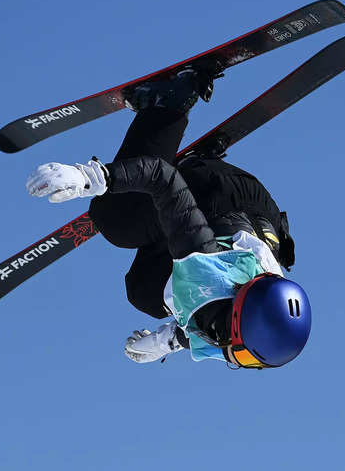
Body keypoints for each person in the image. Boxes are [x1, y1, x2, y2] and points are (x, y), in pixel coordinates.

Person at [26, 69, 311, 369]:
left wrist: (167, 341)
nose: (233, 357)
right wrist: (91, 178)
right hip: (214, 191)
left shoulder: (241, 317)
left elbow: (210, 326)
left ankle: (193, 170)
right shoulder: (207, 266)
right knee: (115, 220)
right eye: (241, 354)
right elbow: (161, 178)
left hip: (257, 214)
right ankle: (167, 104)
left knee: (145, 293)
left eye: (248, 362)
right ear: (239, 317)